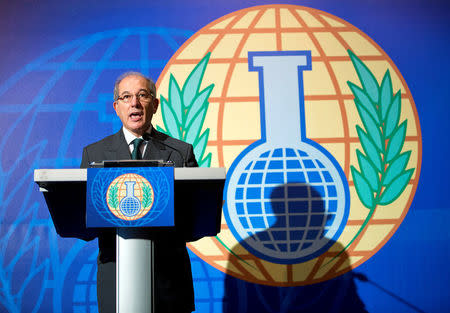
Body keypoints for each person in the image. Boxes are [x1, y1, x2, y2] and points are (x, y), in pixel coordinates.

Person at [80, 72, 197, 313]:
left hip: (168, 282)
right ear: (116, 107)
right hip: (116, 278)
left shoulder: (179, 153)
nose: (134, 103)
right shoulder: (95, 154)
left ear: (154, 105)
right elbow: (85, 219)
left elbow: (194, 218)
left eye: (142, 95)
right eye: (126, 97)